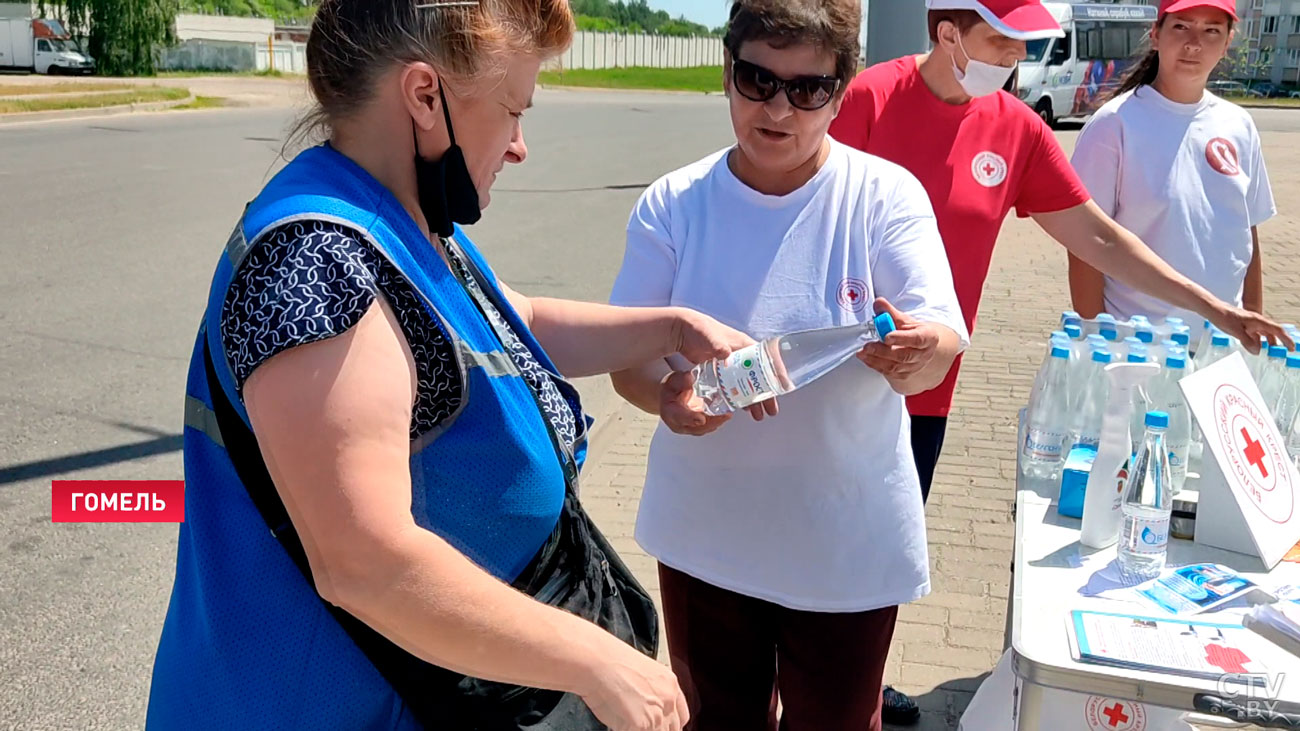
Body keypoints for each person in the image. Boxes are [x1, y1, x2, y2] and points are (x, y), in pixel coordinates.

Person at [146, 2, 752, 729]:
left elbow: (504, 327)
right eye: (513, 109)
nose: (521, 144)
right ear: (425, 97)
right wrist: (596, 660)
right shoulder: (314, 266)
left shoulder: (394, 211)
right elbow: (363, 563)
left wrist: (670, 327)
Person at [826, 0, 1289, 722]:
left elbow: (1100, 240)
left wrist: (1215, 307)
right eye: (1001, 42)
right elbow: (809, 215)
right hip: (832, 377)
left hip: (924, 389)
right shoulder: (871, 99)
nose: (1015, 59)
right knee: (810, 541)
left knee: (886, 544)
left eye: (1024, 45)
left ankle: (857, 684)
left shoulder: (1015, 129)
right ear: (948, 33)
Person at [608, 2, 970, 729]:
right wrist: (668, 398)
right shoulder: (674, 203)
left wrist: (916, 353)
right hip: (706, 537)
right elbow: (629, 361)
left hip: (841, 545)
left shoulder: (883, 196)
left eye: (807, 90)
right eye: (756, 80)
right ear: (727, 72)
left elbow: (944, 338)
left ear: (842, 91)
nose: (777, 108)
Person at [1068, 0, 1275, 329]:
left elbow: (1246, 233)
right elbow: (1085, 243)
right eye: (1181, 26)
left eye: (1211, 31)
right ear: (1155, 34)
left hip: (1220, 346)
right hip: (1139, 343)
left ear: (1226, 44)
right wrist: (1099, 336)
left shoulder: (1239, 125)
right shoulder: (1114, 124)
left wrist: (1251, 321)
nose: (1194, 43)